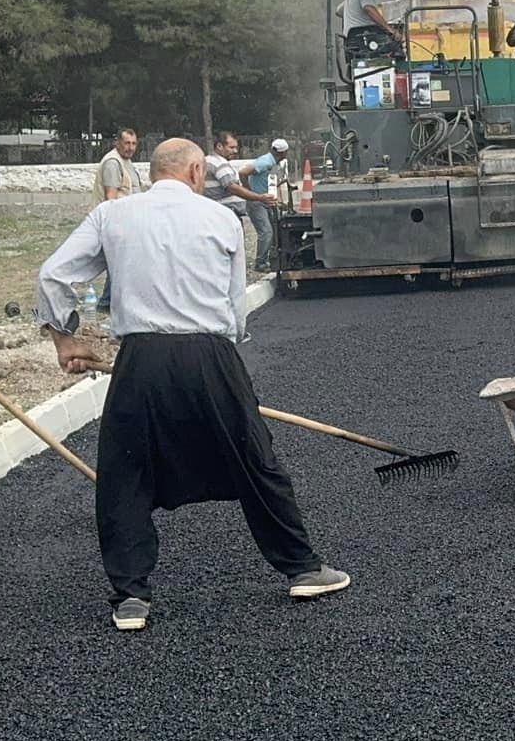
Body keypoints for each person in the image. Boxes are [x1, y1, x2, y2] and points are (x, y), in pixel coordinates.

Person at [37, 138, 350, 631]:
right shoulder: (223, 219)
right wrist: (227, 371)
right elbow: (234, 309)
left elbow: (53, 275)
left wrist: (64, 339)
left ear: (154, 170)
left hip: (141, 359)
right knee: (255, 459)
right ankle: (304, 569)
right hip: (210, 354)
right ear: (196, 170)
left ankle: (130, 599)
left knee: (125, 472)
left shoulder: (111, 216)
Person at [204, 132, 279, 270]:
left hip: (220, 214)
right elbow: (232, 187)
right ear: (219, 146)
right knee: (235, 248)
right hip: (225, 215)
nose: (235, 151)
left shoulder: (211, 161)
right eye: (231, 147)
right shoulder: (219, 164)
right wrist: (258, 197)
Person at [92, 129, 146, 312]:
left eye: (133, 143)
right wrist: (116, 225)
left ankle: (110, 303)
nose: (130, 148)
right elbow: (111, 197)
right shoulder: (113, 163)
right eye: (127, 143)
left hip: (129, 221)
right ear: (118, 143)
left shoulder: (125, 162)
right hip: (118, 222)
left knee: (121, 264)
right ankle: (106, 304)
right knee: (119, 264)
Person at [242, 138, 292, 272]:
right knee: (266, 232)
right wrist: (249, 192)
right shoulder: (265, 161)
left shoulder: (273, 163)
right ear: (282, 153)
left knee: (274, 230)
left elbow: (270, 183)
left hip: (265, 201)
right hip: (257, 202)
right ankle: (260, 263)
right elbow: (243, 172)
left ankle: (272, 260)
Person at [339, 0, 403, 56]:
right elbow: (368, 8)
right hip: (365, 39)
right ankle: (399, 65)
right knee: (396, 46)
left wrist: (354, 15)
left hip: (351, 42)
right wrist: (390, 29)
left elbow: (338, 11)